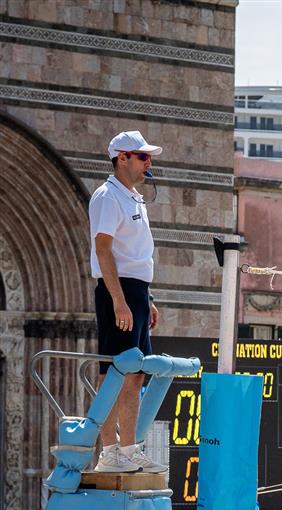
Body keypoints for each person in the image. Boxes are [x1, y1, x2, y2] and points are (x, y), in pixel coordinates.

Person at [90, 131, 166, 475]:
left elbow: (134, 254)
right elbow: (103, 248)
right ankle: (109, 452)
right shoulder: (107, 196)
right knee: (114, 374)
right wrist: (119, 300)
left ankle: (129, 449)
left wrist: (145, 299)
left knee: (136, 375)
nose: (149, 163)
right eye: (143, 156)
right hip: (117, 291)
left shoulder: (133, 198)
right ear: (122, 158)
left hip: (136, 291)